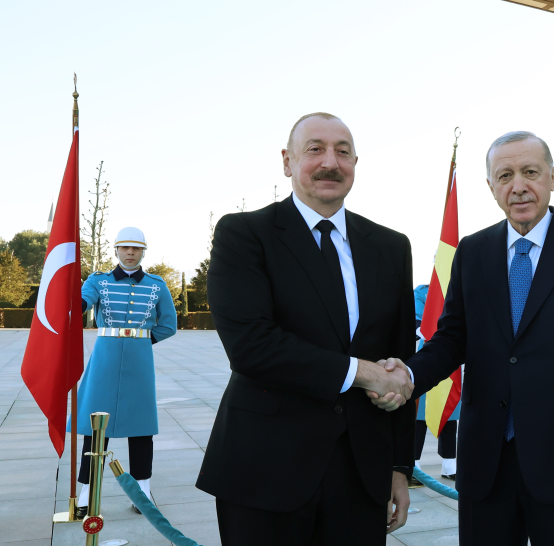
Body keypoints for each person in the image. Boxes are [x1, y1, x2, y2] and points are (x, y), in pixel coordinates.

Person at [371, 131, 554, 546]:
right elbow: (451, 339)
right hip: (487, 461)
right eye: (505, 175)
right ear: (491, 187)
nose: (518, 186)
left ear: (552, 177)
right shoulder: (473, 251)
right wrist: (406, 373)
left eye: (530, 172)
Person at [195, 113, 416, 545]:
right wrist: (363, 373)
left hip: (361, 476)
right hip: (266, 471)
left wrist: (398, 467)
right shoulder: (244, 234)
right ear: (287, 161)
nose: (330, 162)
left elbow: (398, 362)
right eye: (315, 149)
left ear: (355, 162)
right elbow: (253, 347)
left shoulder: (391, 247)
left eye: (343, 151)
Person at [69, 226, 177, 518]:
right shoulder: (98, 281)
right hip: (104, 359)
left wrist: (142, 342)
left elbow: (168, 325)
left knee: (141, 429)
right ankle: (85, 497)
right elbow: (82, 302)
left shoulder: (157, 285)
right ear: (116, 250)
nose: (130, 253)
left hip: (139, 364)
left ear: (143, 252)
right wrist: (72, 304)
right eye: (125, 248)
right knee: (96, 429)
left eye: (136, 248)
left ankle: (142, 494)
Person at [411, 284, 458, 485]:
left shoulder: (459, 287)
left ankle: (450, 463)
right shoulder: (422, 292)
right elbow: (417, 323)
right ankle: (413, 464)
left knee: (450, 410)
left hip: (453, 357)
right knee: (420, 414)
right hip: (429, 352)